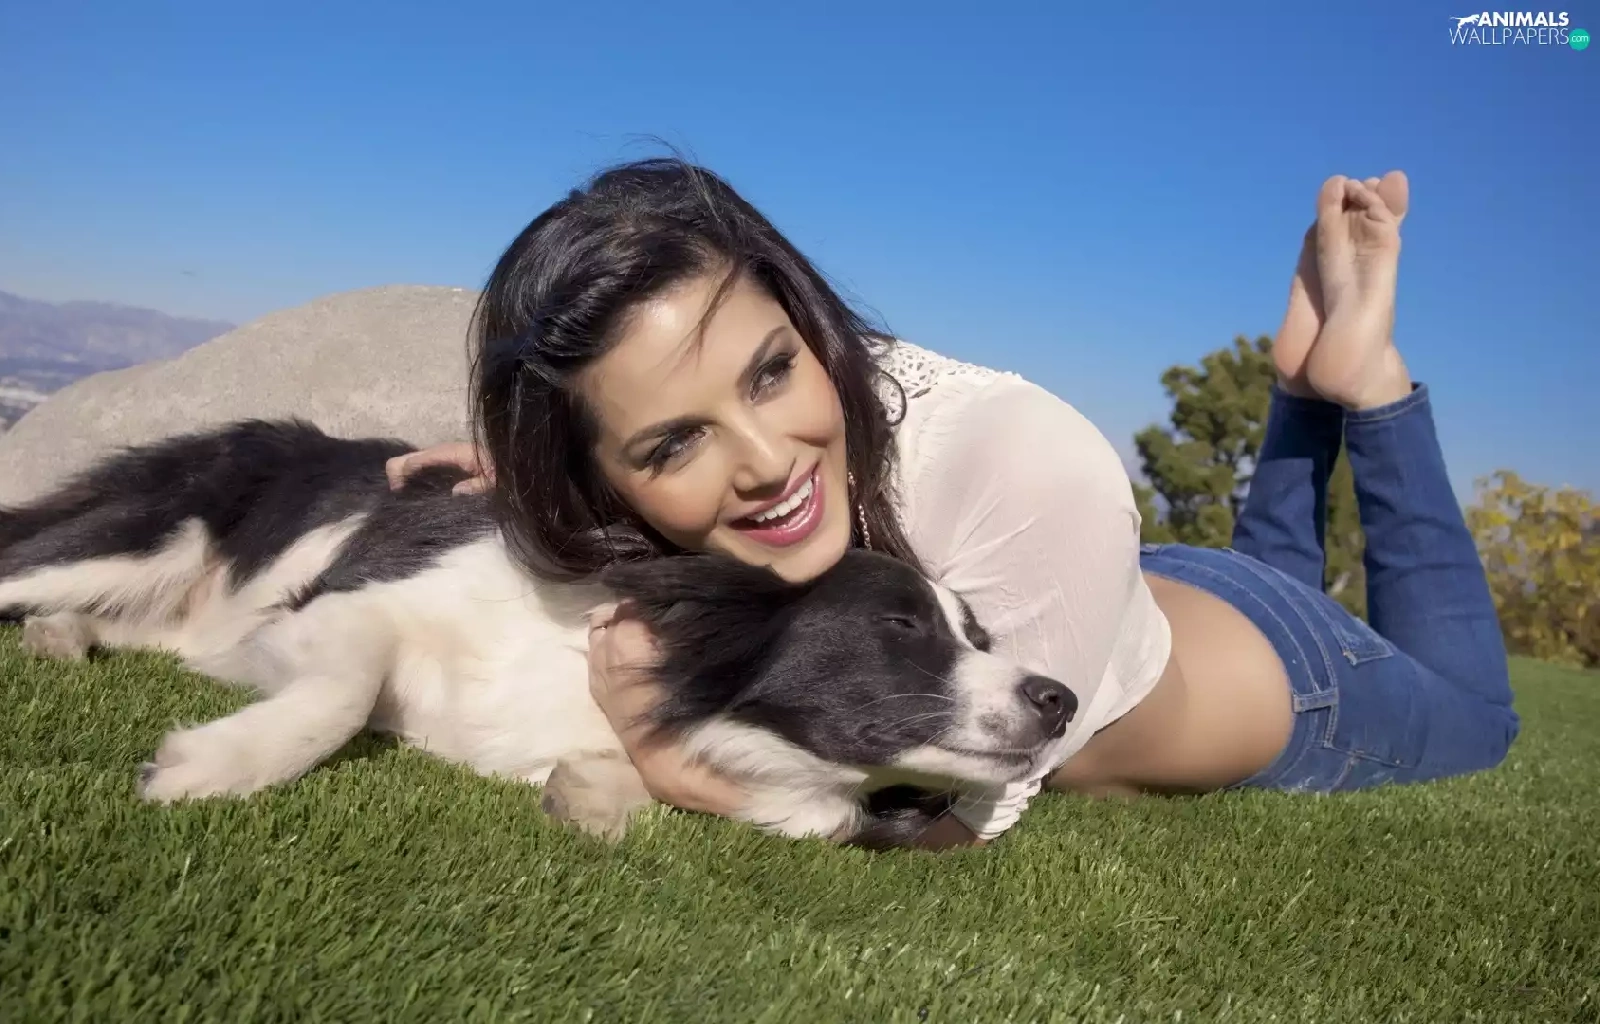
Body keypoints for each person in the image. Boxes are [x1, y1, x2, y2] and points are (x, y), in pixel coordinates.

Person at [386, 158, 1519, 849]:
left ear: (806, 319)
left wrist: (669, 756)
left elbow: (947, 832)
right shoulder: (710, 473)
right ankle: (1297, 399)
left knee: (1479, 717)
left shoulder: (1028, 465)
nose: (767, 462)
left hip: (1298, 681)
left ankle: (1368, 389)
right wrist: (539, 476)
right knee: (1260, 563)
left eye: (771, 372)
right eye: (674, 440)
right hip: (1126, 586)